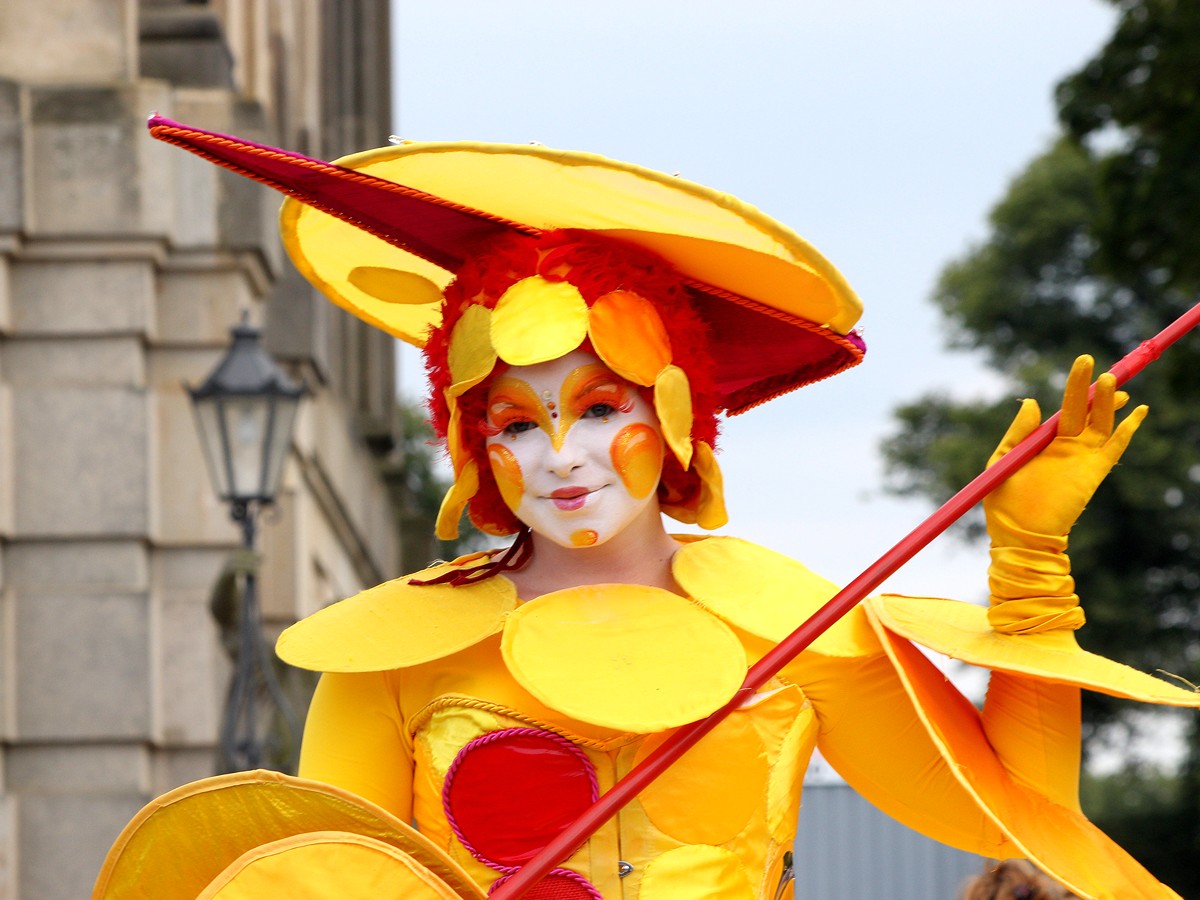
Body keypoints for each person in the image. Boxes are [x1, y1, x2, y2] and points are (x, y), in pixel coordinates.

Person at [93, 119, 1200, 900]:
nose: (561, 454)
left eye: (599, 405)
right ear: (473, 444)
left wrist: (1031, 552)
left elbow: (1012, 814)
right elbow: (325, 884)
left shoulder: (787, 622)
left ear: (673, 414)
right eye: (515, 422)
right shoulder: (394, 653)